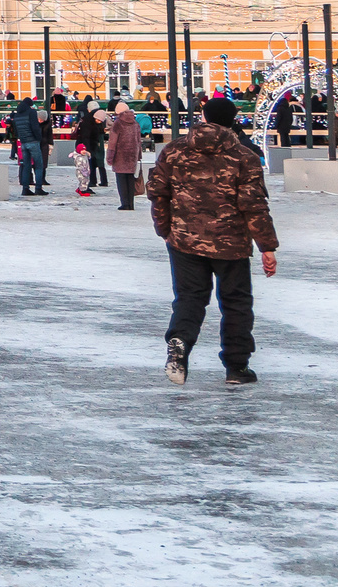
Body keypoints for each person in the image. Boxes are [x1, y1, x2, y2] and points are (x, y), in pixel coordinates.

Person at [148, 97, 277, 386]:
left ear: (204, 117)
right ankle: (237, 367)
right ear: (233, 121)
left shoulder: (174, 151)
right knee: (235, 302)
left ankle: (180, 341)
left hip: (184, 239)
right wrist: (266, 246)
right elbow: (254, 206)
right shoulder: (244, 156)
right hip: (231, 243)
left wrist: (165, 229)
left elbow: (158, 193)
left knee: (190, 297)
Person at [106, 100, 144, 210]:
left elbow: (112, 142)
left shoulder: (118, 123)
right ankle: (131, 204)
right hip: (132, 155)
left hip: (120, 156)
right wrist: (139, 155)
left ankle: (125, 203)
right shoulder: (135, 123)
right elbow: (138, 141)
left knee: (121, 179)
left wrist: (110, 156)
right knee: (130, 178)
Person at [9, 97, 48, 195]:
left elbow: (16, 130)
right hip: (33, 141)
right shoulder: (31, 112)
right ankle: (38, 188)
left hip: (23, 142)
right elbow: (35, 127)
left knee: (26, 166)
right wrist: (38, 138)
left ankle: (25, 189)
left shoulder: (17, 115)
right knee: (39, 165)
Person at [72, 102, 105, 197]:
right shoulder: (87, 123)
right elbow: (85, 137)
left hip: (89, 147)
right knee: (84, 169)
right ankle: (83, 187)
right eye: (99, 121)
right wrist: (86, 150)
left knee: (89, 167)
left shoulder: (91, 121)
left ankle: (87, 185)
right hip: (84, 148)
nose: (99, 122)